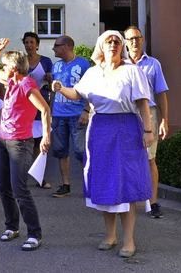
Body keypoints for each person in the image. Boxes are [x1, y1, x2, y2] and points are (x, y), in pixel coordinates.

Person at [52, 30, 153, 258]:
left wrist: (148, 130)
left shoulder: (131, 71)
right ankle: (110, 236)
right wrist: (60, 88)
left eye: (117, 41)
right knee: (105, 182)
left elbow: (143, 104)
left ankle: (128, 240)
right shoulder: (93, 72)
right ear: (101, 46)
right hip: (100, 130)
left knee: (126, 183)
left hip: (127, 128)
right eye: (109, 41)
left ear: (122, 46)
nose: (113, 45)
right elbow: (77, 94)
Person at [0, 38, 51, 251]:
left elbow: (45, 110)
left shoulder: (26, 84)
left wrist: (46, 136)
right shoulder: (10, 81)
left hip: (20, 142)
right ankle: (11, 227)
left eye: (6, 64)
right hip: (4, 140)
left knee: (19, 188)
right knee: (3, 186)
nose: (3, 68)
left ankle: (34, 233)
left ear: (13, 67)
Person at [123, 26, 169, 218]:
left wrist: (165, 120)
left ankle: (153, 202)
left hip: (148, 114)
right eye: (130, 38)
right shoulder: (120, 64)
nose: (134, 41)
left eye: (137, 38)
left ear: (142, 40)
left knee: (150, 159)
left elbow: (161, 94)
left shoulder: (153, 64)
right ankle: (126, 199)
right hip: (126, 113)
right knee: (126, 158)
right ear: (125, 41)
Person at [49, 35, 91, 198]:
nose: (54, 49)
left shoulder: (83, 64)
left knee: (81, 151)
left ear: (65, 46)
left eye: (56, 46)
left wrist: (86, 111)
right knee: (60, 150)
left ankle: (89, 185)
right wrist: (51, 112)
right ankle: (66, 185)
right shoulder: (56, 66)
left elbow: (90, 90)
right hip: (59, 115)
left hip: (77, 114)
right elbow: (53, 92)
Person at [22, 32, 54, 189]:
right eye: (26, 42)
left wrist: (50, 78)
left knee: (39, 143)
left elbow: (52, 83)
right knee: (24, 142)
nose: (29, 45)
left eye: (31, 42)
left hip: (41, 104)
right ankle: (21, 177)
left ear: (37, 45)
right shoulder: (21, 61)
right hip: (24, 105)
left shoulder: (46, 61)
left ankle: (39, 176)